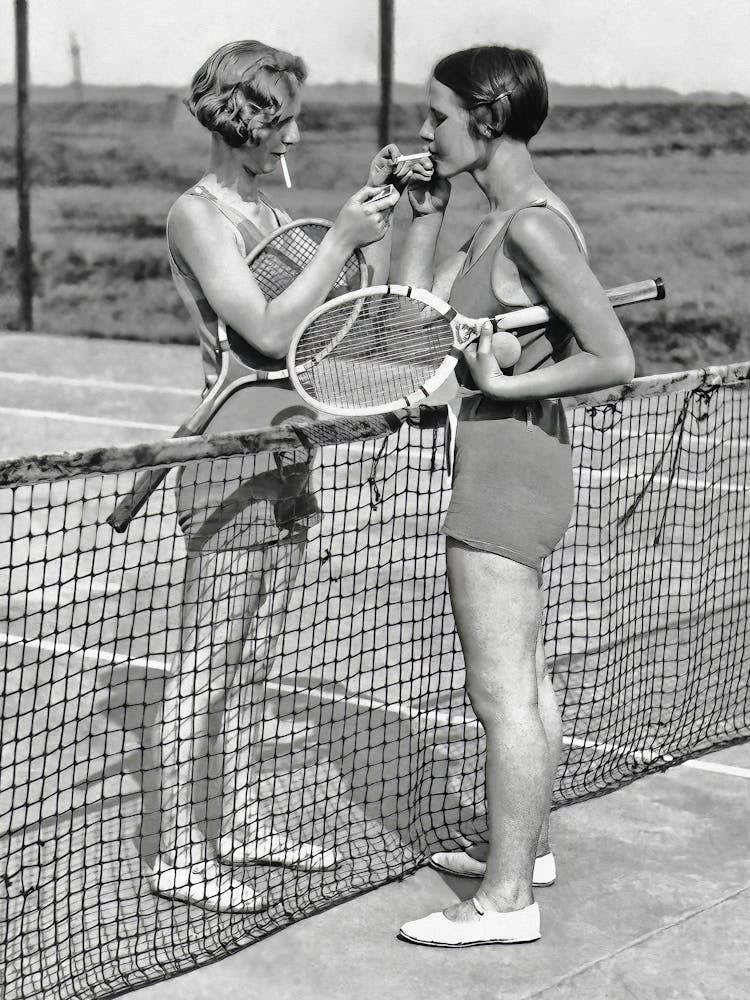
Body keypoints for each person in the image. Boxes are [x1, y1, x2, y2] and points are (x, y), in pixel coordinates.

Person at [140, 39, 399, 914]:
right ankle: (178, 850)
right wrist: (341, 239)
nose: (295, 133)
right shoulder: (198, 214)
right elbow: (260, 330)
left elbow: (344, 322)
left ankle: (244, 821)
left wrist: (374, 225)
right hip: (228, 460)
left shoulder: (268, 212)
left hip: (291, 451)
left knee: (253, 661)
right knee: (206, 664)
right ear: (246, 120)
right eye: (283, 118)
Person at [388, 45, 635, 946]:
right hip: (516, 458)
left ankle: (504, 904)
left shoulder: (533, 225)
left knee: (501, 698)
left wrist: (498, 382)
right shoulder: (499, 216)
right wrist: (425, 210)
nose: (424, 130)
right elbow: (410, 319)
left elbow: (612, 361)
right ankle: (524, 852)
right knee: (525, 683)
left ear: (485, 120)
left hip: (507, 466)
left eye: (438, 116)